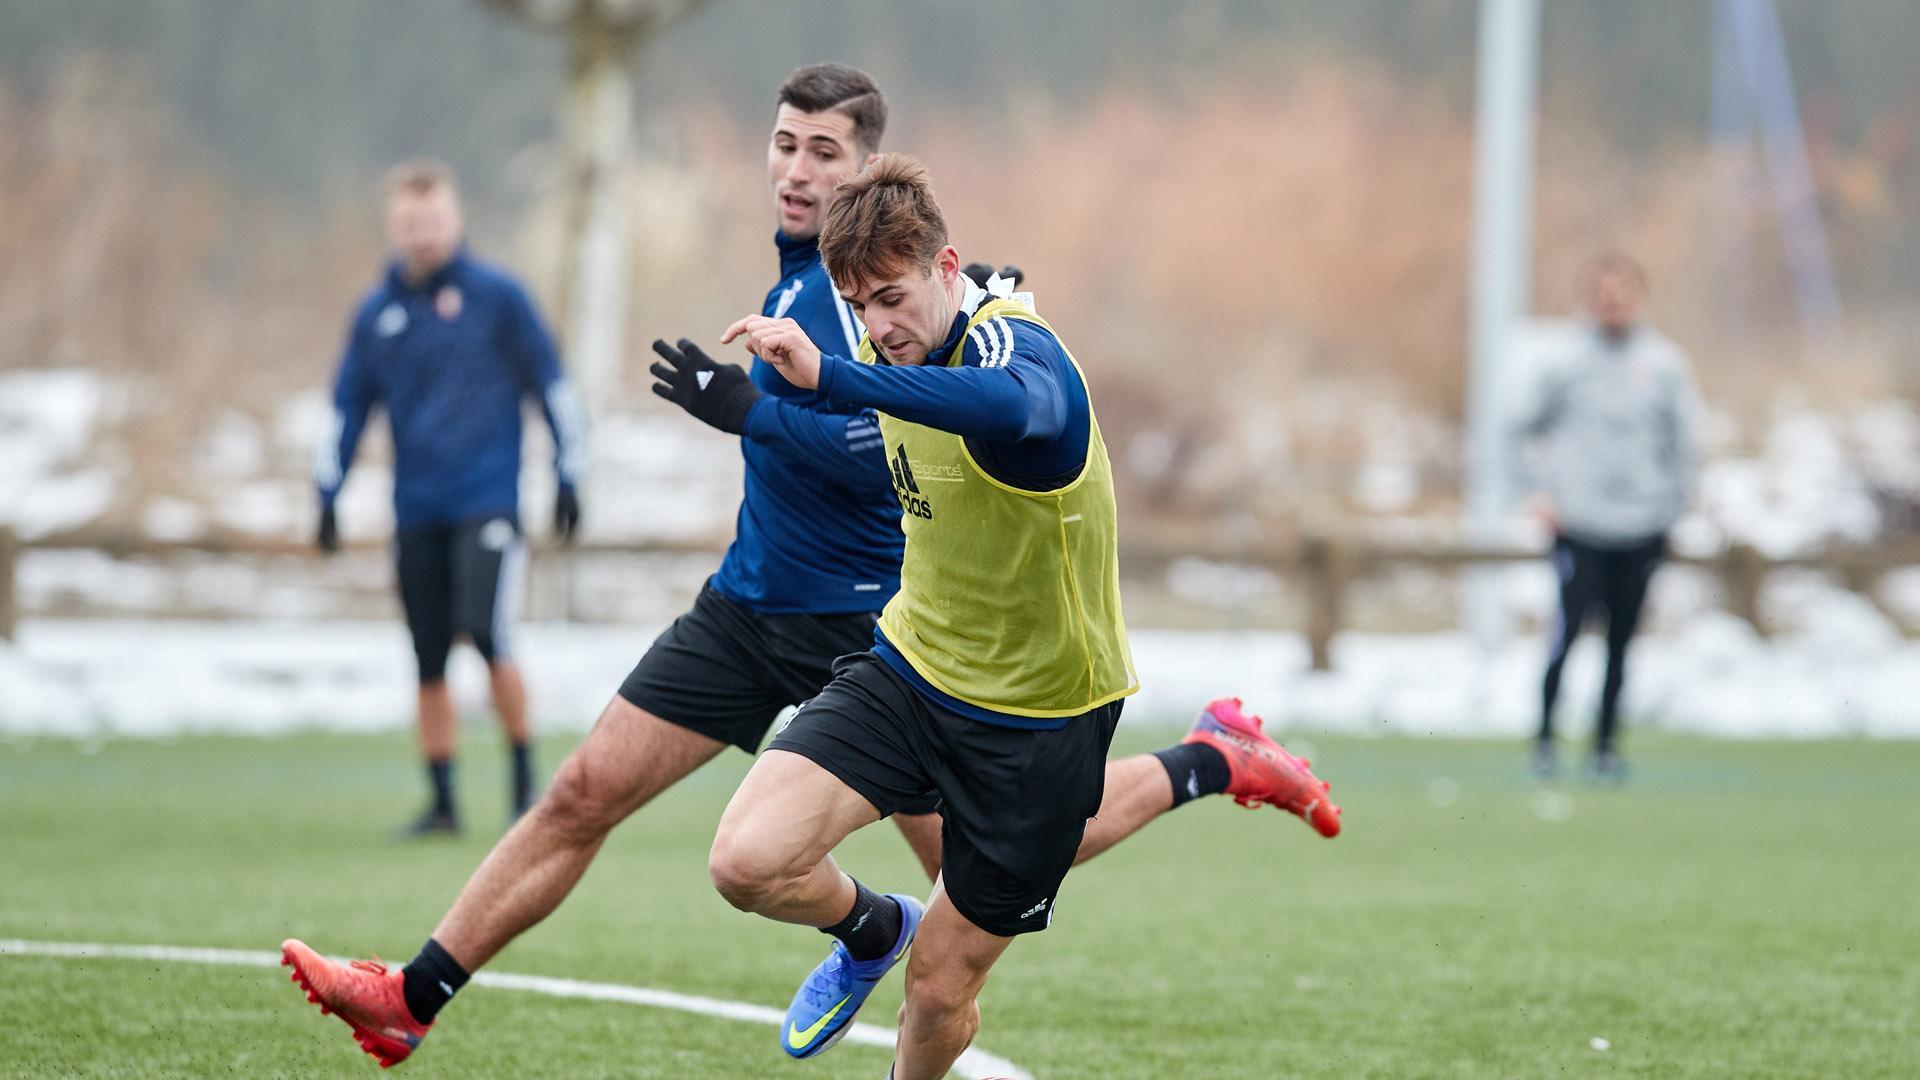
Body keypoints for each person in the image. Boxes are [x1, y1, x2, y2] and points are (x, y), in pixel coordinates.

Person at [280, 65, 1335, 1071]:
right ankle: (412, 999)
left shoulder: (885, 308)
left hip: (866, 617)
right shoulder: (807, 282)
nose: (794, 170)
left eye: (822, 152)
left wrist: (764, 407)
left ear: (869, 172)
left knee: (1008, 859)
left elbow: (894, 450)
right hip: (753, 603)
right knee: (587, 793)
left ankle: (1209, 758)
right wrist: (779, 399)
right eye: (781, 145)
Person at [705, 153, 1337, 1080]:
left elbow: (1021, 408)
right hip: (913, 674)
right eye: (862, 309)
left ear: (947, 268)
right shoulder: (890, 356)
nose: (880, 329)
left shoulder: (1019, 353)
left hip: (1042, 717)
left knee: (940, 991)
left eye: (894, 298)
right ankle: (872, 928)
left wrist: (834, 376)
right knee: (746, 862)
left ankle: (1212, 759)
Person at [312, 160, 586, 836]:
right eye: (410, 224)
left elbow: (553, 386)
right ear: (393, 228)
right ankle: (441, 802)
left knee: (488, 634)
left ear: (455, 220)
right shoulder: (377, 314)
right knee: (427, 654)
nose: (423, 235)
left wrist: (568, 473)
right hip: (416, 509)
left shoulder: (499, 298)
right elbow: (347, 406)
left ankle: (527, 787)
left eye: (433, 221)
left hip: (486, 501)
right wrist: (328, 490)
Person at [1516, 251, 1699, 780]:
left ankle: (1605, 746)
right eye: (1604, 292)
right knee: (1567, 633)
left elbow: (1684, 443)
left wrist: (1674, 504)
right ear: (1589, 298)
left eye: (1623, 292)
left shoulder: (1665, 365)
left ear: (1640, 298)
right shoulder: (1563, 362)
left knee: (1622, 641)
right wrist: (1538, 493)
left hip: (1641, 526)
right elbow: (1519, 428)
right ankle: (1546, 740)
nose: (1613, 302)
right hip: (1580, 525)